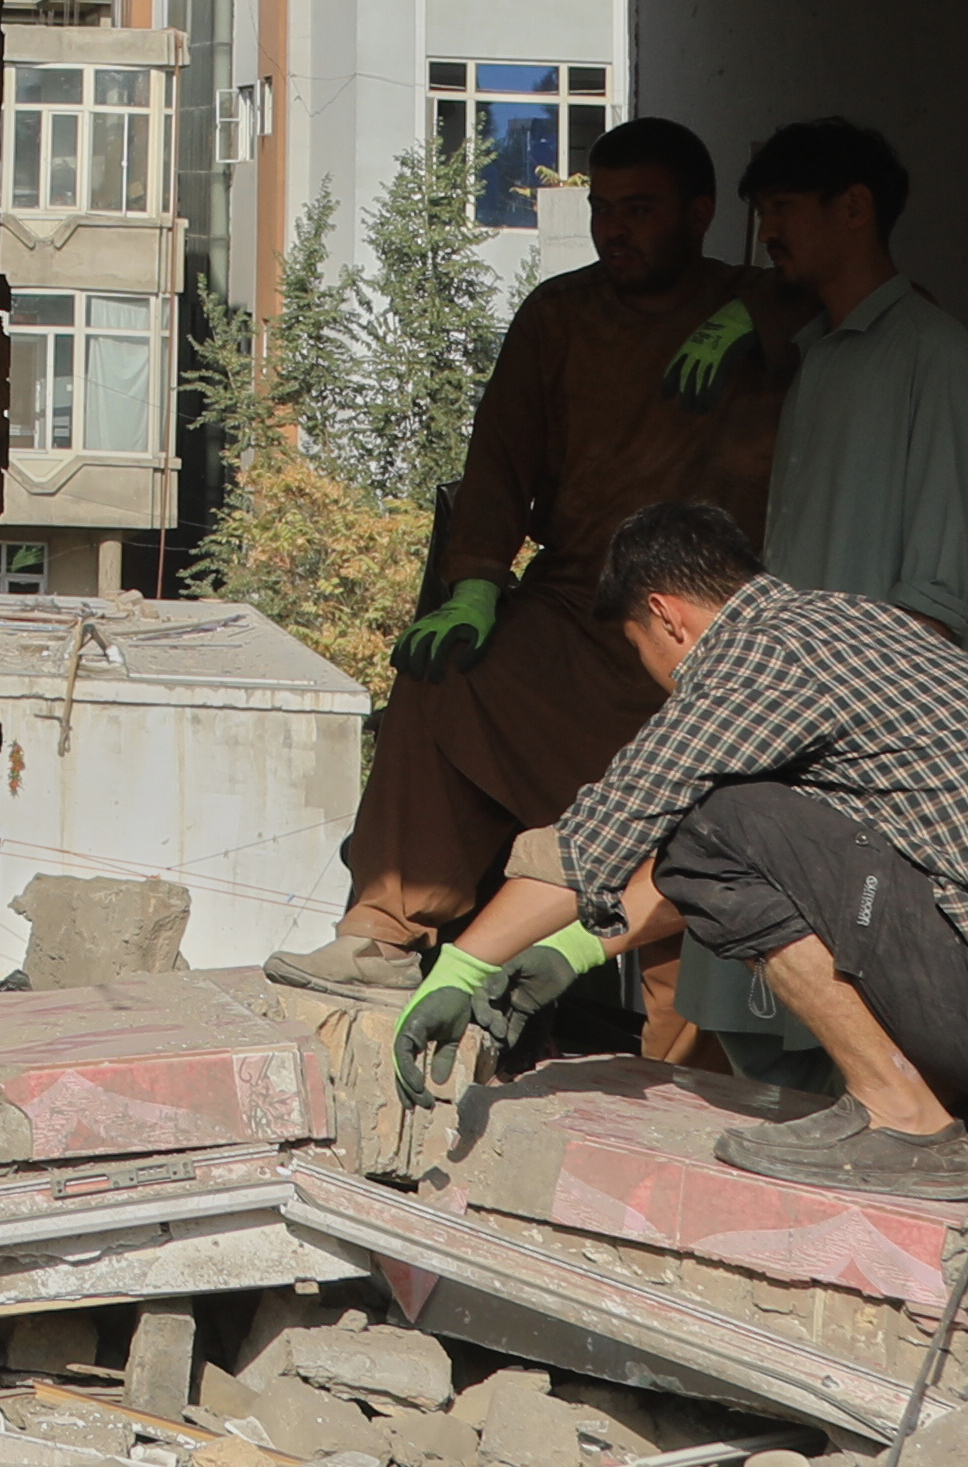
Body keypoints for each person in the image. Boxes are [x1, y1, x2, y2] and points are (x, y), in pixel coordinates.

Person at [402, 496, 968, 1201]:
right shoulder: (842, 628)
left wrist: (461, 967)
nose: (659, 679)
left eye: (641, 649)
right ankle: (948, 1109)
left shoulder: (759, 658)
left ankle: (906, 1119)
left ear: (667, 617)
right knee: (727, 821)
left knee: (713, 818)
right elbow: (767, 861)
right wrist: (575, 952)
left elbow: (608, 831)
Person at [268, 119, 776, 995]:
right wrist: (473, 587)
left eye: (641, 210)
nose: (615, 229)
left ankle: (691, 1063)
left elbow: (868, 298)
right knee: (445, 674)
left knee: (697, 860)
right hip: (580, 606)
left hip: (709, 631)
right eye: (603, 209)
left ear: (700, 214)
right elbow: (498, 464)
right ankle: (384, 933)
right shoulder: (560, 315)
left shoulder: (759, 308)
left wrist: (759, 310)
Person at [746, 118, 968, 650]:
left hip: (887, 716)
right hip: (812, 699)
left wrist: (872, 721)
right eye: (763, 212)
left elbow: (936, 600)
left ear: (855, 208)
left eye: (782, 207)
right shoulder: (814, 357)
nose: (767, 232)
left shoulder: (935, 353)